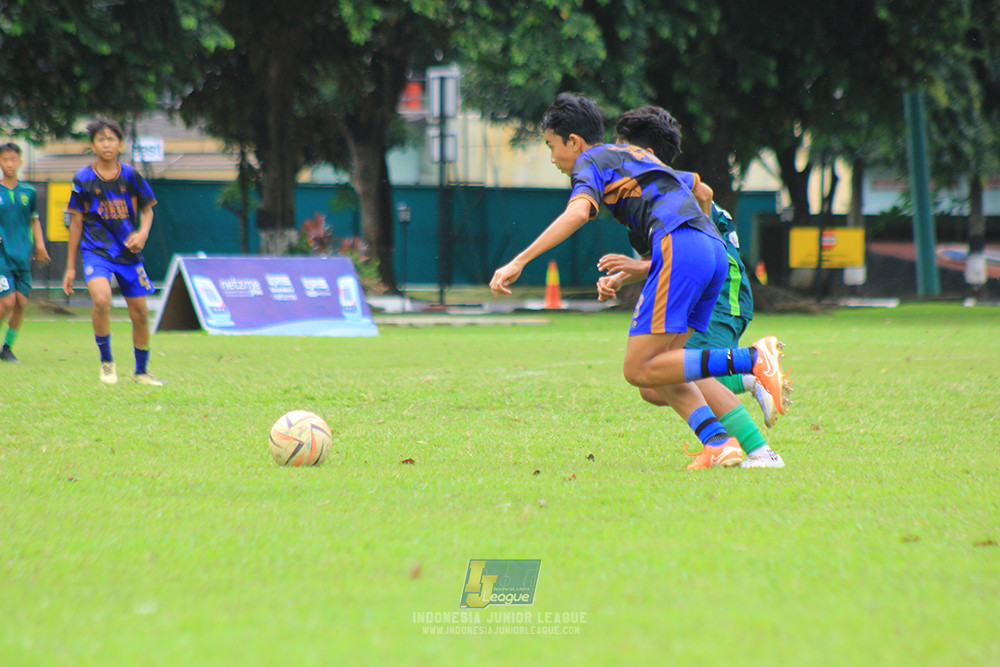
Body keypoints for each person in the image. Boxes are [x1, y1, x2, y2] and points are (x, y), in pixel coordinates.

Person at [489, 93, 790, 470]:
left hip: (682, 249)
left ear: (574, 142)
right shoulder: (638, 157)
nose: (552, 159)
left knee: (637, 369)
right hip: (710, 250)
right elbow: (701, 191)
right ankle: (718, 442)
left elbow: (579, 211)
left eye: (552, 147)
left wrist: (518, 261)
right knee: (665, 368)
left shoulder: (590, 161)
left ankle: (751, 361)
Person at [595, 106, 785, 468]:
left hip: (719, 292)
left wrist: (637, 266)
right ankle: (745, 380)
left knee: (676, 367)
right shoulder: (648, 195)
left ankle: (760, 450)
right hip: (701, 285)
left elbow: (698, 222)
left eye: (623, 149)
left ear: (644, 155)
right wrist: (629, 274)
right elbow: (669, 258)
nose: (616, 158)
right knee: (652, 386)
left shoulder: (675, 188)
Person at [62, 117, 163, 386]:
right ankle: (107, 362)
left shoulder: (130, 175)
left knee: (140, 313)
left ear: (120, 144)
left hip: (128, 254)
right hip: (96, 251)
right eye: (101, 139)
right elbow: (76, 221)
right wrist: (71, 267)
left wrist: (142, 233)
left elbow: (147, 209)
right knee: (102, 300)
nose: (106, 144)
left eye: (111, 139)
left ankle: (141, 372)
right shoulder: (83, 179)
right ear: (93, 144)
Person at [0, 142, 50, 362]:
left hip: (23, 255)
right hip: (2, 256)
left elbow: (35, 220)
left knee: (21, 302)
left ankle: (7, 348)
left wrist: (40, 245)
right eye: (5, 159)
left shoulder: (28, 191)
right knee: (7, 302)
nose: (9, 164)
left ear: (20, 161)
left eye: (13, 159)